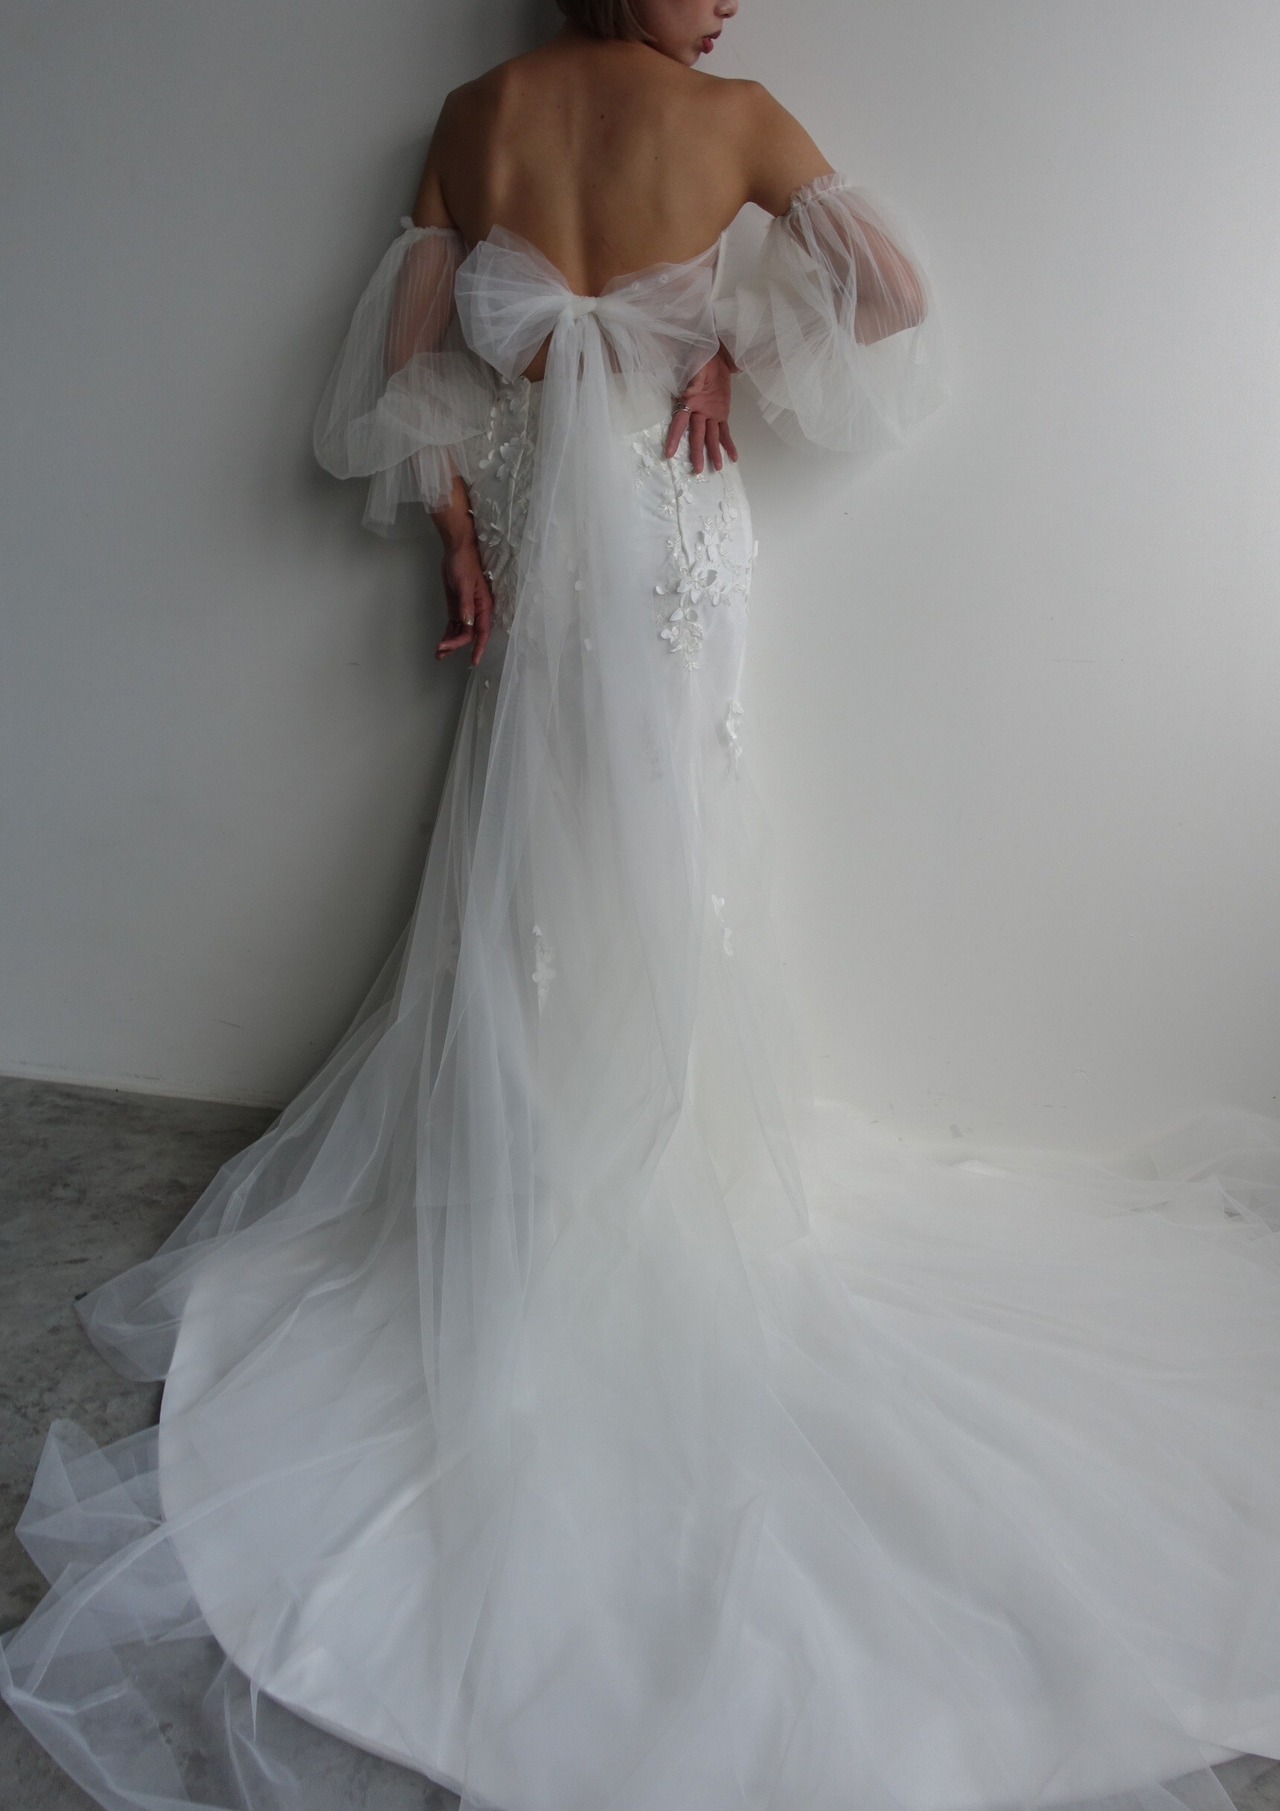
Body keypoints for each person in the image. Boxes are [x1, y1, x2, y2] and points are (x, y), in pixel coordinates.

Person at [5, 6, 1280, 1811]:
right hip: (683, 531)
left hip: (540, 536)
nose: (735, 2)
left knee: (554, 845)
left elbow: (412, 366)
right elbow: (895, 293)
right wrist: (731, 355)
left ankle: (576, 1161)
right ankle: (665, 1157)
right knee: (675, 831)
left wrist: (460, 536)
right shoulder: (739, 118)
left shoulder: (477, 114)